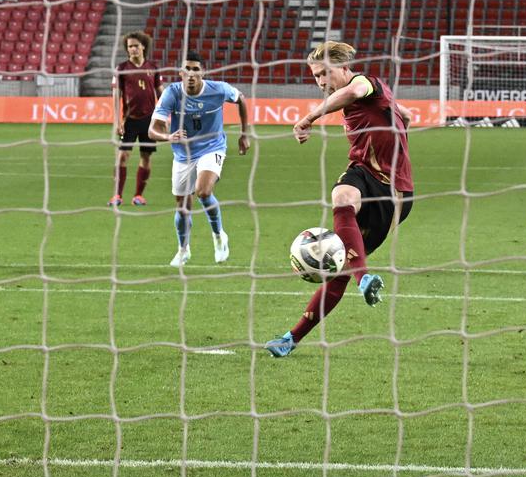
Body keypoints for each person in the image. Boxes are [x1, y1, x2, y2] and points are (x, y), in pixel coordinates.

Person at [266, 41, 415, 358]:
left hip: (395, 191)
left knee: (341, 268)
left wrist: (310, 117)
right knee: (341, 199)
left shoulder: (365, 82)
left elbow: (352, 92)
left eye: (324, 74)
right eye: (316, 77)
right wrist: (401, 120)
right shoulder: (376, 94)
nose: (320, 82)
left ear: (342, 67)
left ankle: (358, 277)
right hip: (363, 174)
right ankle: (291, 338)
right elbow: (404, 113)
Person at [148, 52, 250, 267]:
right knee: (183, 206)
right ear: (180, 73)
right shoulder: (172, 93)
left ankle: (219, 236)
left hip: (213, 147)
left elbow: (240, 99)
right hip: (183, 154)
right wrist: (168, 136)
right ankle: (183, 250)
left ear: (202, 72)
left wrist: (244, 134)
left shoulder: (218, 89)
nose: (191, 74)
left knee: (203, 191)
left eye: (196, 69)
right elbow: (152, 130)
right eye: (187, 69)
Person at [110, 31, 159, 207]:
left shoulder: (153, 67)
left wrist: (164, 116)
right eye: (130, 46)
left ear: (143, 46)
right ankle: (117, 196)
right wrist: (117, 121)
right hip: (129, 120)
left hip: (149, 121)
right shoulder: (121, 69)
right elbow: (116, 96)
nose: (133, 49)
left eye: (136, 46)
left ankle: (138, 195)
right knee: (122, 156)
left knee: (146, 157)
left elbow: (161, 93)